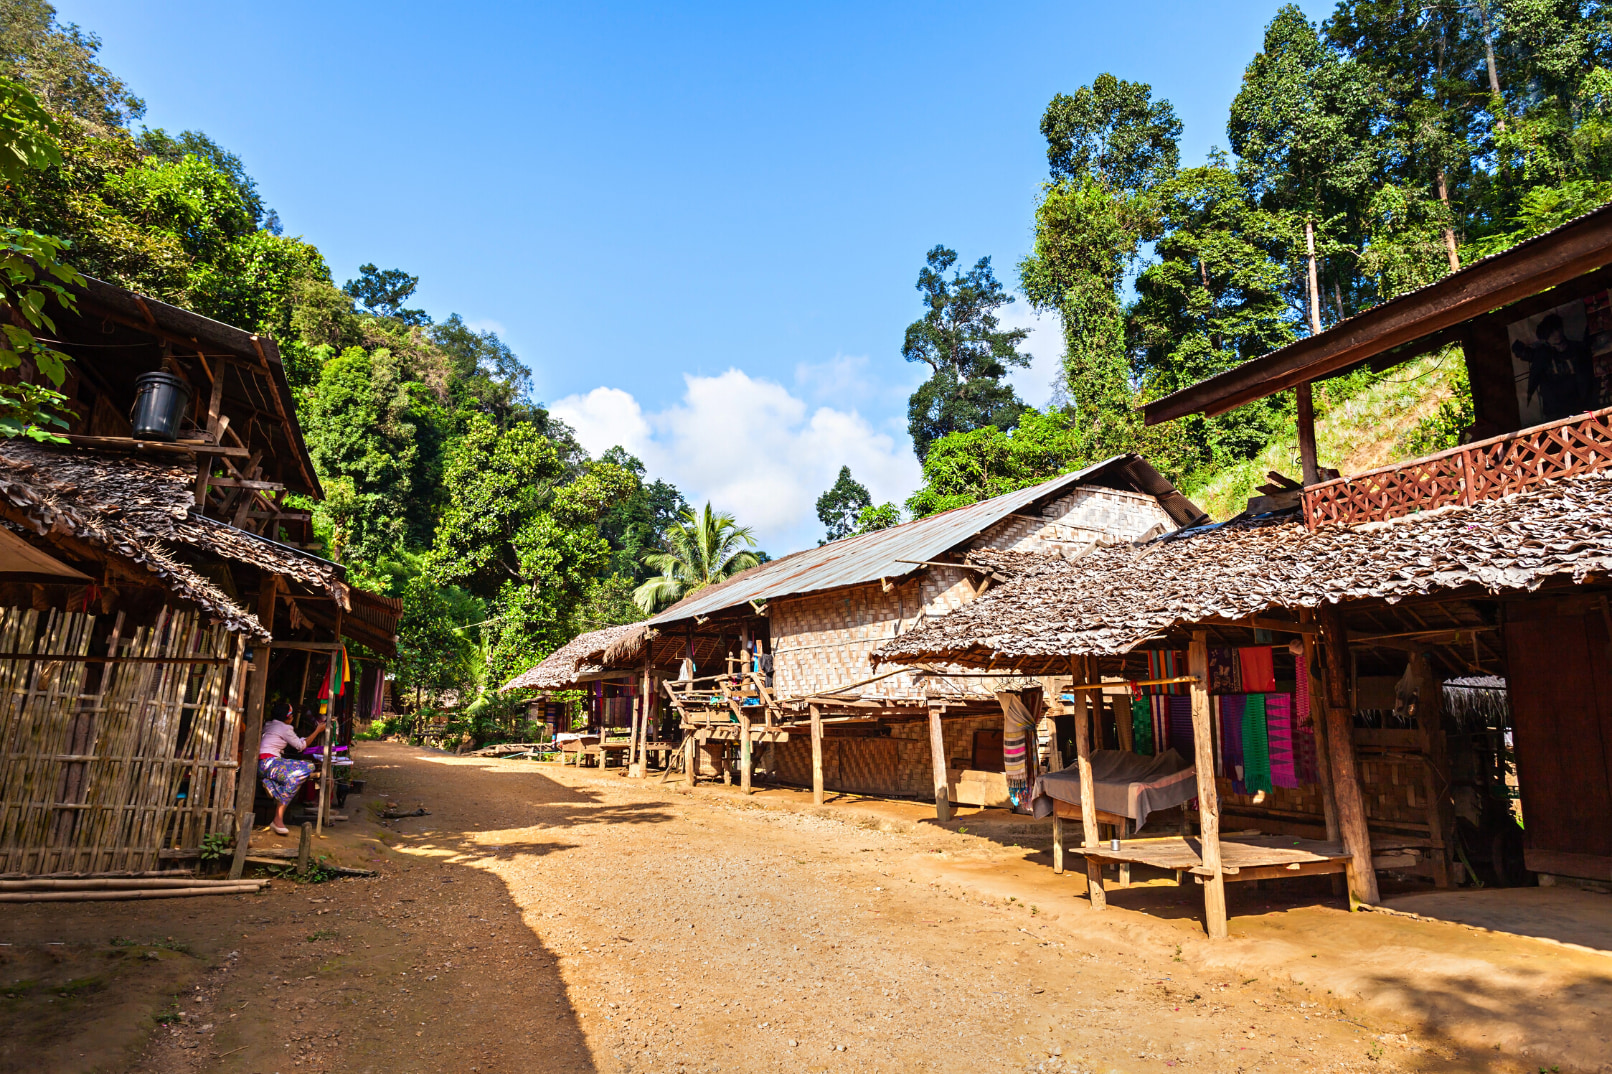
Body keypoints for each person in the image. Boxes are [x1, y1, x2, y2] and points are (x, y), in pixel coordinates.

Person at [258, 700, 327, 835]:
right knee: (308, 766)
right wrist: (317, 730)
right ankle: (277, 818)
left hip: (262, 765)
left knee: (293, 779)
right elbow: (300, 746)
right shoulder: (285, 728)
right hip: (271, 763)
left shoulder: (269, 725)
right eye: (292, 715)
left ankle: (277, 813)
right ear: (288, 717)